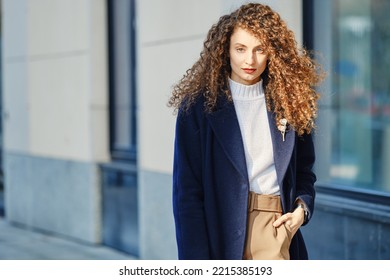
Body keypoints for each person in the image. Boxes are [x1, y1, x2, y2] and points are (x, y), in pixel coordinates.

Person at [168, 2, 323, 260]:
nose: (249, 60)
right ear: (225, 50)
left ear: (272, 52)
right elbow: (187, 194)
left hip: (275, 227)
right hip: (219, 231)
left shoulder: (289, 100)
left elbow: (305, 169)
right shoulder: (198, 107)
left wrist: (302, 209)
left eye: (260, 49)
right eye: (240, 49)